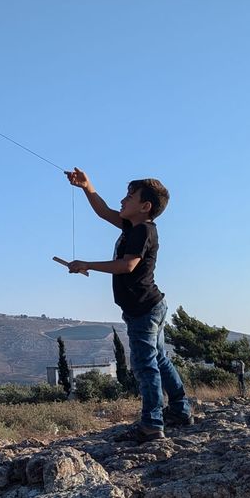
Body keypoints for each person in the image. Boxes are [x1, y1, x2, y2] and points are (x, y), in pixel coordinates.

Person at [63, 167, 193, 441]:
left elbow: (127, 265)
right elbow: (104, 211)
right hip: (149, 306)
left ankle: (152, 424)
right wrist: (87, 187)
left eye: (129, 196)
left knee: (145, 365)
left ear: (145, 207)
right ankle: (181, 410)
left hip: (143, 309)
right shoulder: (132, 226)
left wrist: (87, 264)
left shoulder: (143, 231)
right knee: (158, 359)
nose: (123, 200)